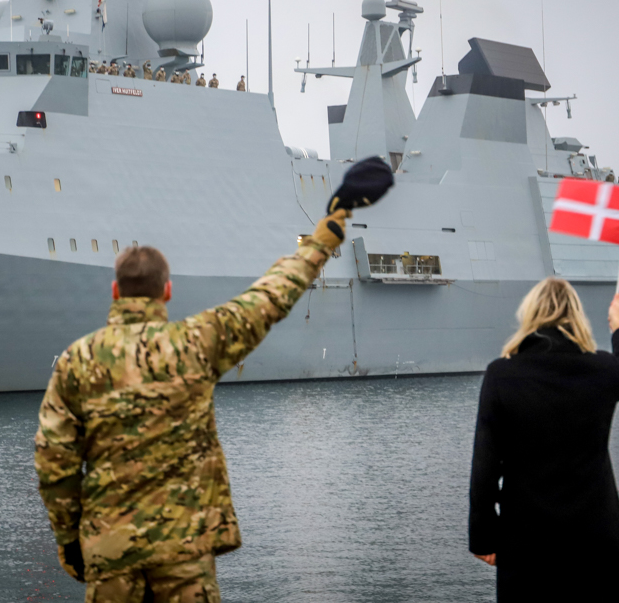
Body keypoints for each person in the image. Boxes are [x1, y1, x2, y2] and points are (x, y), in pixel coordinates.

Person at [35, 157, 394, 603]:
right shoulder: (198, 343)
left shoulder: (77, 360)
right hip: (185, 552)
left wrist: (69, 539)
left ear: (115, 291)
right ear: (166, 291)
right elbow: (271, 296)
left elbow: (54, 462)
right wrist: (325, 233)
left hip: (110, 552)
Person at [469, 279, 619, 602]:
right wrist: (618, 325)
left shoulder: (500, 376)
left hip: (526, 540)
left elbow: (485, 465)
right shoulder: (602, 369)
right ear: (575, 315)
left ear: (531, 314)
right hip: (595, 538)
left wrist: (483, 537)